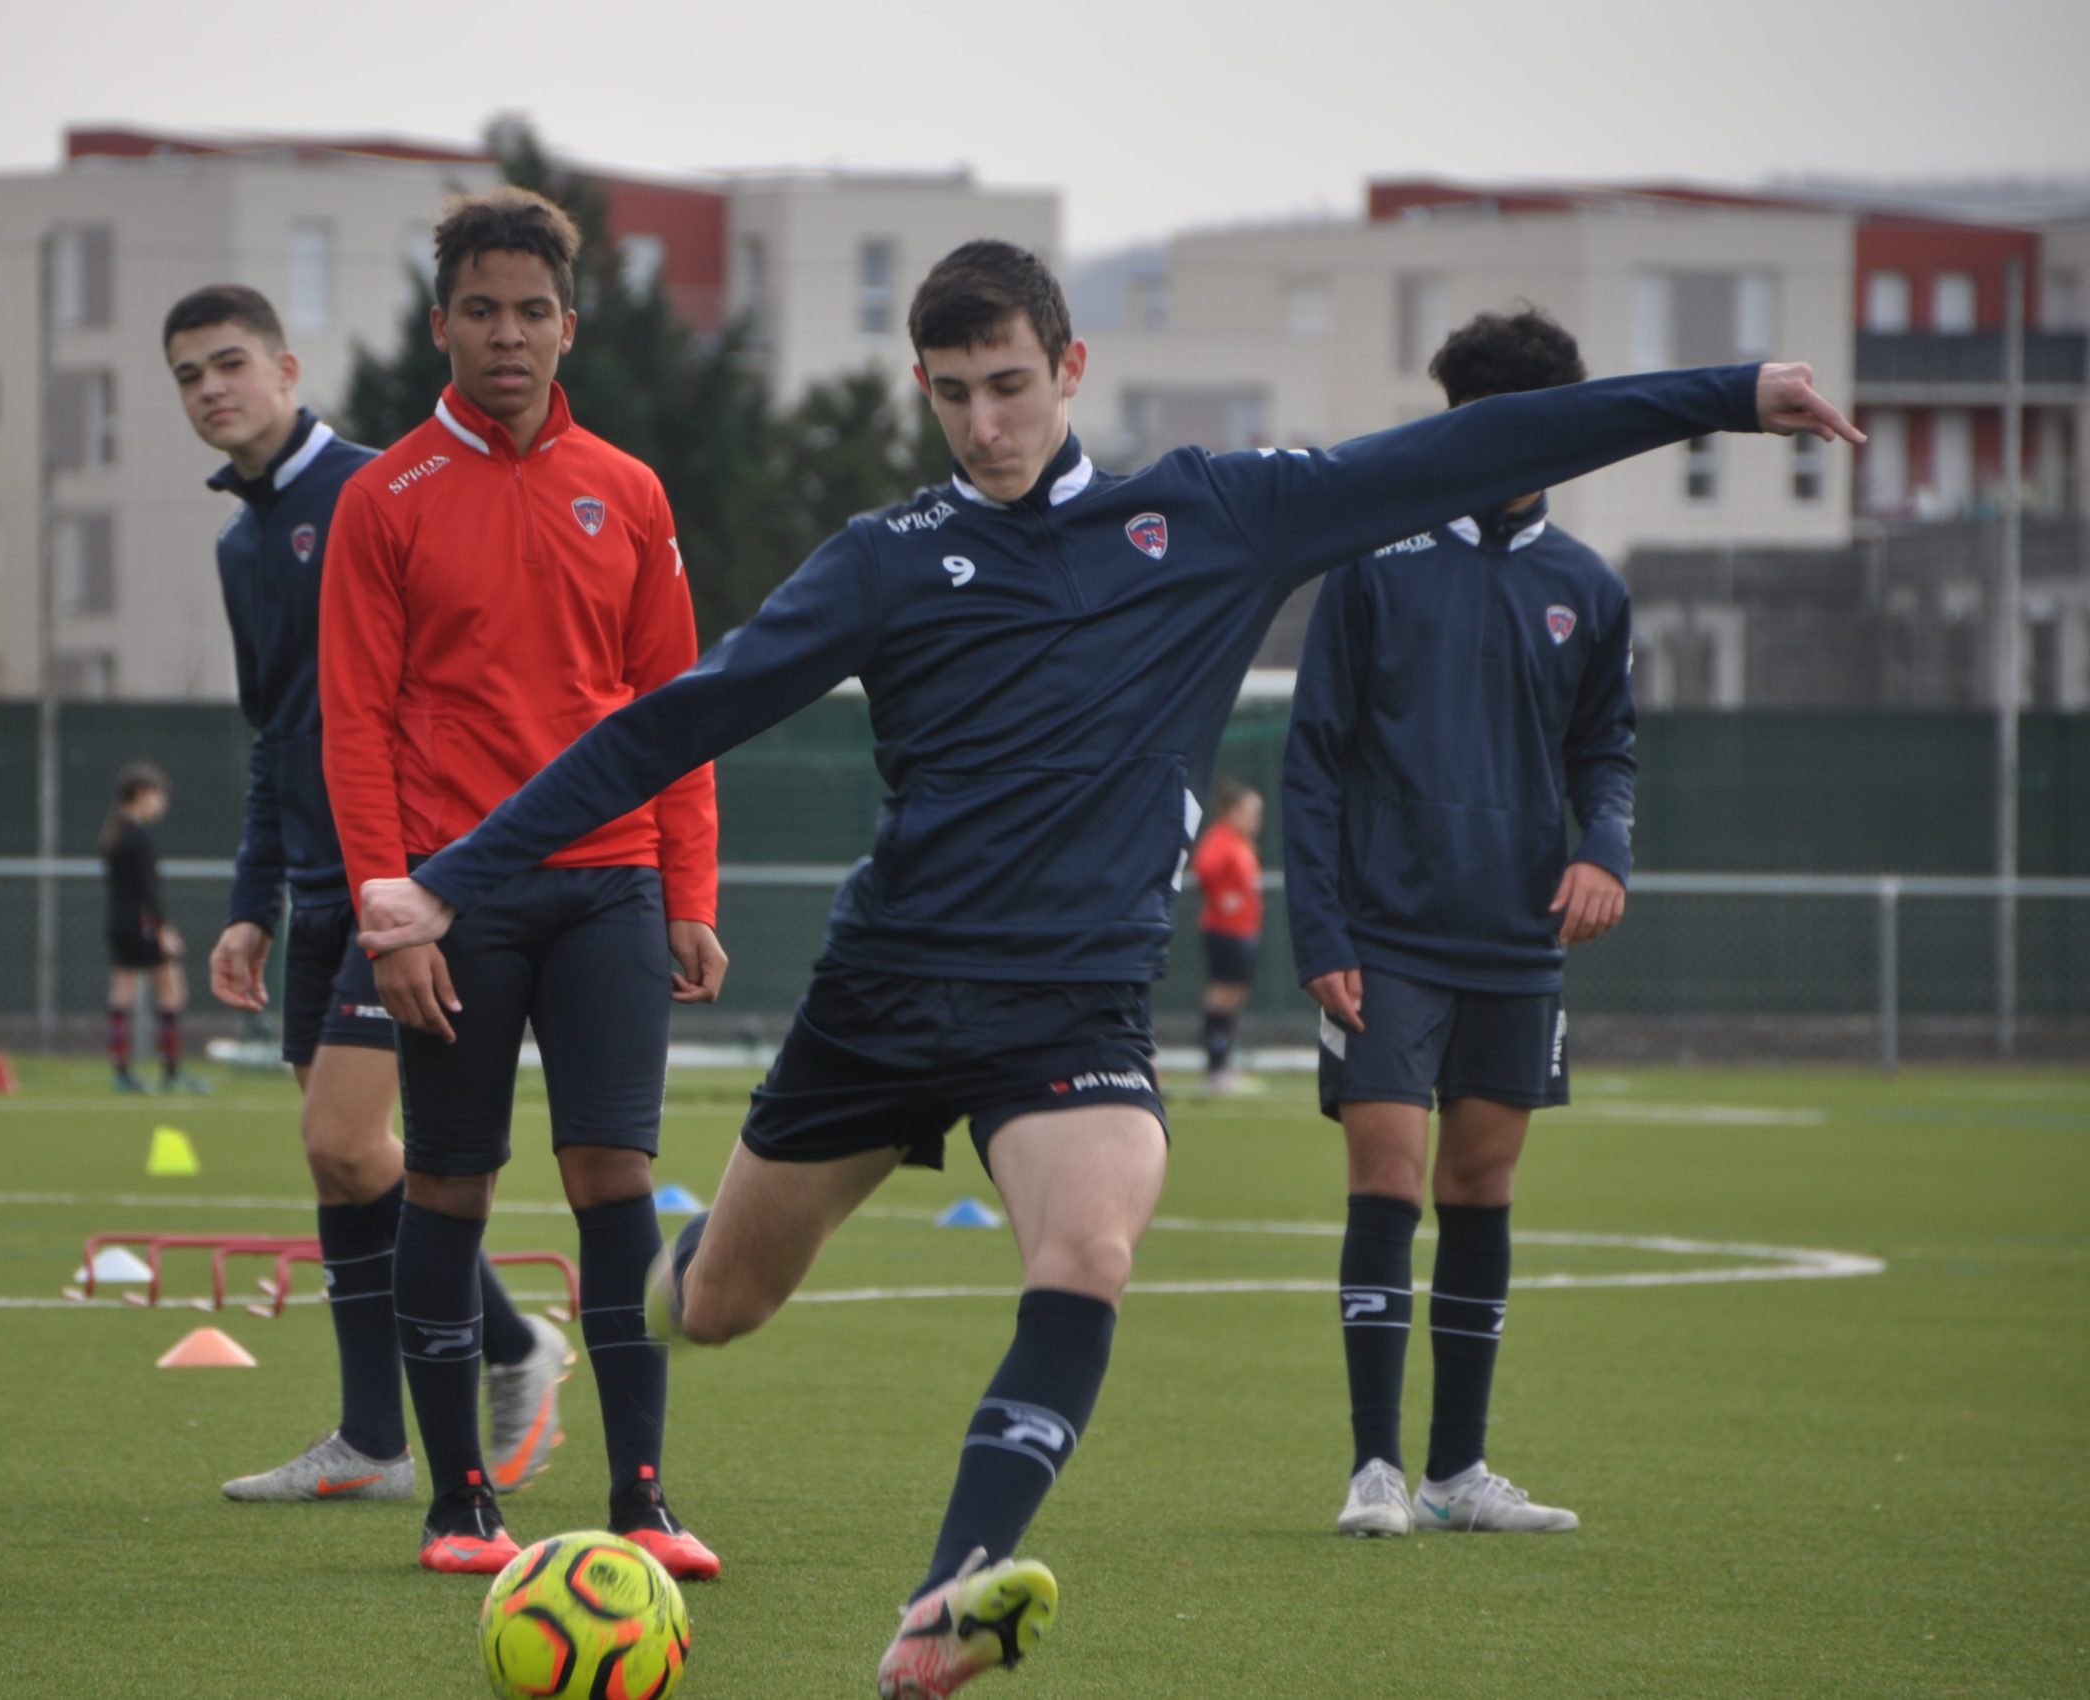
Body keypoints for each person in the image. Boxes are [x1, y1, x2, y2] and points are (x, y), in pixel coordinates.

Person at [351, 240, 1855, 1696]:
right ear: (923, 389)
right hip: (884, 996)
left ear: (1071, 365)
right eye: (952, 394)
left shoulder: (1211, 516)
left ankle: (944, 1602)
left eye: (1009, 384)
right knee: (721, 1304)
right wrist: (447, 880)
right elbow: (665, 723)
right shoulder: (886, 559)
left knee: (1090, 1251)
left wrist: (1730, 394)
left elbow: (1472, 446)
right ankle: (659, 1286)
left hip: (1072, 1007)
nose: (984, 424)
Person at [319, 187, 727, 1581]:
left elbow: (675, 707)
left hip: (612, 888)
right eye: (482, 311)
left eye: (533, 311)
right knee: (449, 1183)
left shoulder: (631, 491)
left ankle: (644, 1500)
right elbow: (355, 724)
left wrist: (690, 889)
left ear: (570, 326)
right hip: (455, 901)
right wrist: (391, 916)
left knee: (618, 1175)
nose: (509, 334)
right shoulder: (382, 499)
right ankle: (459, 1507)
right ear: (441, 324)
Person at [164, 282, 569, 1507]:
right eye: (187, 375)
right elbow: (278, 734)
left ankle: (513, 1342)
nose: (210, 389)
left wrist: (430, 874)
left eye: (229, 363)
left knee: (345, 1138)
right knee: (341, 1164)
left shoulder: (374, 490)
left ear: (288, 369)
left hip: (399, 875)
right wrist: (253, 900)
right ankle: (372, 1439)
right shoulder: (242, 545)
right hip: (315, 885)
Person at [1284, 307, 1635, 1541]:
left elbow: (1607, 751)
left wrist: (1604, 847)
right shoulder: (1372, 562)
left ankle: (1455, 1472)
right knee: (1385, 1174)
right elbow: (1311, 758)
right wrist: (1319, 931)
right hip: (1383, 932)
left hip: (1514, 938)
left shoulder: (1588, 587)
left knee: (1480, 1182)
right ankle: (1375, 1470)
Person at [99, 763, 206, 1095]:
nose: (161, 804)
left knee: (121, 993)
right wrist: (163, 930)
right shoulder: (139, 837)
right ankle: (171, 1073)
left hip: (118, 922)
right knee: (172, 992)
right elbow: (148, 891)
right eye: (158, 797)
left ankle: (122, 1073)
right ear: (143, 794)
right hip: (143, 925)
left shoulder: (114, 835)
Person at [1190, 780, 1266, 1095]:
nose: (1255, 820)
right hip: (1226, 930)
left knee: (1234, 997)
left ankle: (1223, 1063)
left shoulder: (1240, 842)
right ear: (1230, 811)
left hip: (1243, 930)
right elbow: (1204, 868)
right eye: (1249, 812)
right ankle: (1216, 1067)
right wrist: (1224, 898)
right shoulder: (1221, 838)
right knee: (1223, 995)